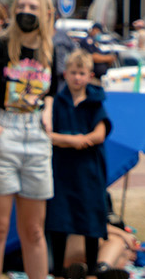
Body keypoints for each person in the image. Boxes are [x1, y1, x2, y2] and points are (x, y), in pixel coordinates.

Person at [0, 0, 58, 279]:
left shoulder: (50, 50)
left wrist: (47, 111)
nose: (26, 12)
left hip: (35, 134)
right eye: (21, 6)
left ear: (47, 14)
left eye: (33, 8)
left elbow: (51, 92)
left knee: (34, 230)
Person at [46, 50, 111, 275]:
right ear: (65, 74)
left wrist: (81, 140)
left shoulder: (95, 101)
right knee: (59, 218)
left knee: (90, 216)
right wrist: (74, 140)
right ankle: (58, 267)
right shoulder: (56, 102)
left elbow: (100, 134)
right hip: (62, 170)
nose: (77, 78)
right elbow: (48, 135)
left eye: (81, 73)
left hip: (89, 170)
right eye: (73, 73)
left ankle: (93, 265)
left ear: (89, 75)